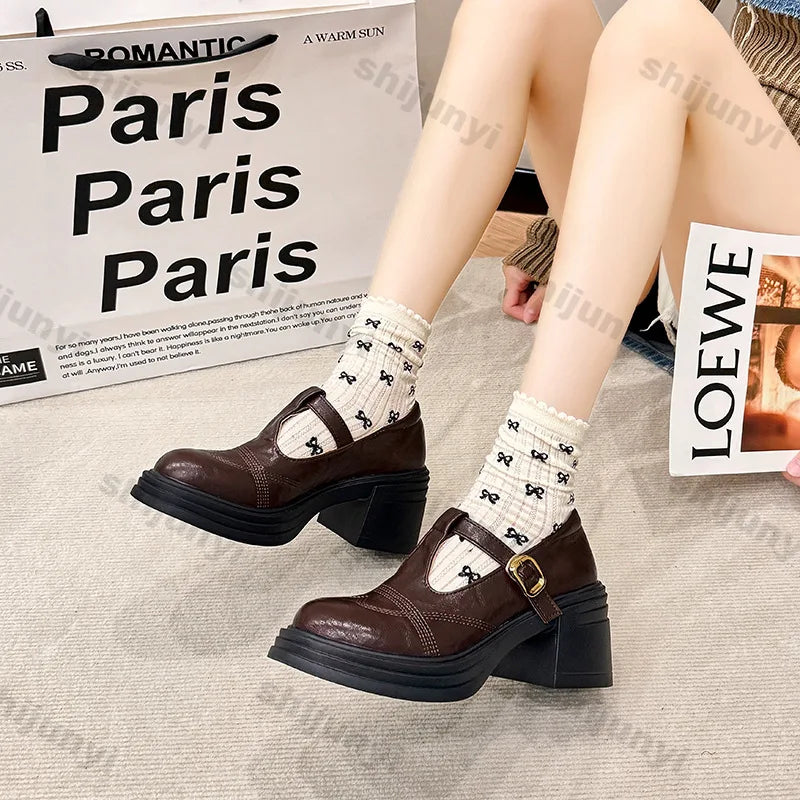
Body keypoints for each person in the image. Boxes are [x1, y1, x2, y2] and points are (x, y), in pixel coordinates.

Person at [132, 0, 800, 701]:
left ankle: (526, 506)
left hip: (777, 306)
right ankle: (371, 395)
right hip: (710, 224)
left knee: (661, 30)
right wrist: (559, 239)